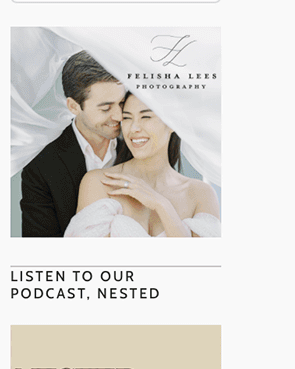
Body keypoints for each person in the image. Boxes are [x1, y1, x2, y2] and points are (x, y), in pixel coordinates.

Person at [66, 91, 221, 237]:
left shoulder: (201, 194)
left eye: (146, 117)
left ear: (173, 123)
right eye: (127, 118)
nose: (133, 128)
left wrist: (162, 206)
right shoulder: (99, 183)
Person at [19, 51, 126, 237]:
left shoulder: (139, 152)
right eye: (106, 108)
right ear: (74, 107)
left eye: (122, 103)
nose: (119, 116)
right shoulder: (40, 167)